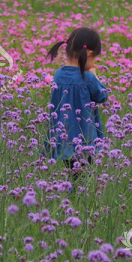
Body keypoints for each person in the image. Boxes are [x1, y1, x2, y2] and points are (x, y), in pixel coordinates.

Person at [42, 27, 109, 193]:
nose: (94, 64)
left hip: (64, 137)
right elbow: (102, 96)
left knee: (73, 175)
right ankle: (74, 205)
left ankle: (71, 202)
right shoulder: (88, 77)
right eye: (95, 60)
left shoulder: (58, 75)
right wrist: (94, 74)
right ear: (90, 53)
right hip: (85, 138)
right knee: (82, 179)